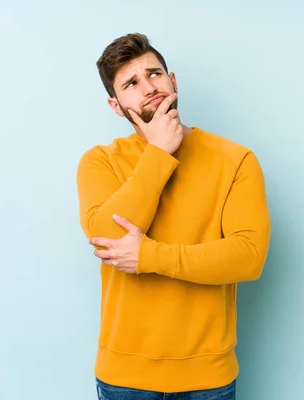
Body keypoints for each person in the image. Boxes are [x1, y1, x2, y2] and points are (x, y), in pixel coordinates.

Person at [75, 33, 271, 399]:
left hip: (207, 380)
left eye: (155, 74)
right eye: (131, 83)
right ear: (116, 105)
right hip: (124, 380)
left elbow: (248, 256)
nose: (148, 86)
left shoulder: (235, 159)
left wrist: (148, 256)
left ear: (173, 81)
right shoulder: (99, 161)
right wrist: (160, 153)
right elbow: (108, 239)